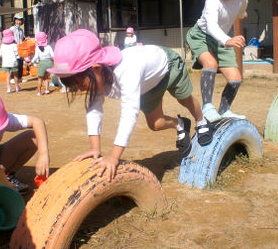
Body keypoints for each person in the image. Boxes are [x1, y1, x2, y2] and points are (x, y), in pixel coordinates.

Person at [48, 29, 212, 181]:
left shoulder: (127, 70)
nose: (79, 89)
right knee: (156, 124)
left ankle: (201, 121)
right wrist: (95, 148)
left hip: (168, 67)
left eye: (80, 83)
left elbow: (129, 113)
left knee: (184, 99)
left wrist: (114, 156)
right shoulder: (97, 78)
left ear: (96, 69)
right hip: (146, 86)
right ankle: (180, 124)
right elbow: (93, 111)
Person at [186, 0, 248, 123]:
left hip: (222, 40)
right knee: (211, 64)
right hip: (202, 36)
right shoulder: (212, 0)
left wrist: (242, 15)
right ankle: (207, 107)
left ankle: (224, 110)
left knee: (235, 78)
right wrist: (227, 40)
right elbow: (211, 26)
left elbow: (241, 11)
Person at [29, 32, 54, 96]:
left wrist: (31, 62)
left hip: (41, 63)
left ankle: (39, 92)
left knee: (40, 78)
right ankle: (47, 90)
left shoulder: (37, 47)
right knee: (46, 78)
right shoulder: (48, 46)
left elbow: (36, 56)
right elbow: (52, 55)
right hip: (49, 62)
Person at [0, 29, 20, 93]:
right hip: (13, 62)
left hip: (5, 63)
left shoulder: (2, 46)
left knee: (7, 75)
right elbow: (16, 53)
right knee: (15, 75)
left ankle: (9, 88)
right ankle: (17, 86)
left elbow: (0, 54)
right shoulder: (14, 45)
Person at [10, 13, 26, 83]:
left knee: (20, 63)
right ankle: (12, 78)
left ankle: (19, 77)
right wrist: (16, 43)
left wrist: (26, 39)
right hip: (14, 48)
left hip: (20, 48)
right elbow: (10, 38)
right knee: (15, 63)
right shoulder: (12, 29)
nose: (19, 22)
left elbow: (23, 38)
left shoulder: (21, 30)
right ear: (14, 20)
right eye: (17, 20)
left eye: (20, 20)